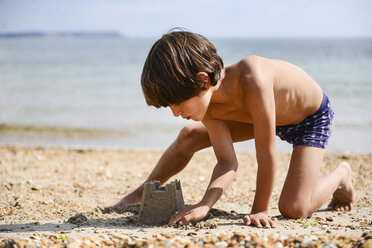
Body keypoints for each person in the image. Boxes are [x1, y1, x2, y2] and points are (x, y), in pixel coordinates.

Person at [113, 30, 354, 228]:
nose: (174, 112)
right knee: (189, 135)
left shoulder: (253, 79)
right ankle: (142, 193)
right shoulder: (208, 105)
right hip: (263, 117)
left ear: (203, 81)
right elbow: (227, 162)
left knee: (294, 208)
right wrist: (205, 204)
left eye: (177, 103)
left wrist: (260, 209)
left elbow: (266, 154)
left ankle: (342, 175)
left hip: (309, 118)